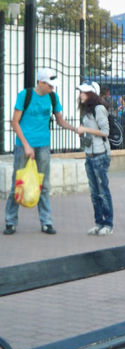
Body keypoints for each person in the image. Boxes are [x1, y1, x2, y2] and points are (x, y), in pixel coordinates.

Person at [4, 67, 79, 235]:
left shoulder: (53, 97)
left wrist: (74, 129)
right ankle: (10, 221)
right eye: (50, 85)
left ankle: (46, 222)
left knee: (44, 185)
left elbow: (60, 120)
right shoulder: (25, 95)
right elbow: (14, 122)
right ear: (40, 82)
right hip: (23, 146)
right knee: (18, 183)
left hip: (44, 145)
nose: (53, 89)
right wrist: (26, 145)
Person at [75, 81, 114, 236]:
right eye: (80, 92)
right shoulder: (87, 110)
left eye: (84, 92)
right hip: (89, 154)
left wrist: (86, 129)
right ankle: (99, 223)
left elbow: (105, 132)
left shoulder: (99, 109)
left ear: (91, 94)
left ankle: (108, 224)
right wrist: (83, 131)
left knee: (103, 191)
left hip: (100, 155)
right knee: (94, 192)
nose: (80, 94)